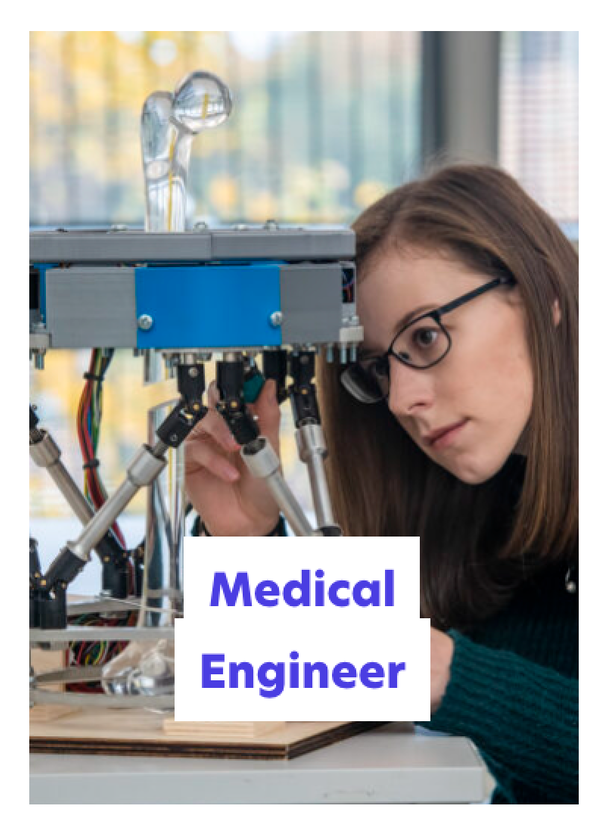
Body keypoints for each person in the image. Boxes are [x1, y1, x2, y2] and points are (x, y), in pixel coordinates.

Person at [185, 164, 578, 804]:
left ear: (544, 298)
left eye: (426, 336)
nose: (400, 400)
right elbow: (276, 687)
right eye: (377, 366)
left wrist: (449, 675)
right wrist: (245, 540)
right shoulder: (485, 504)